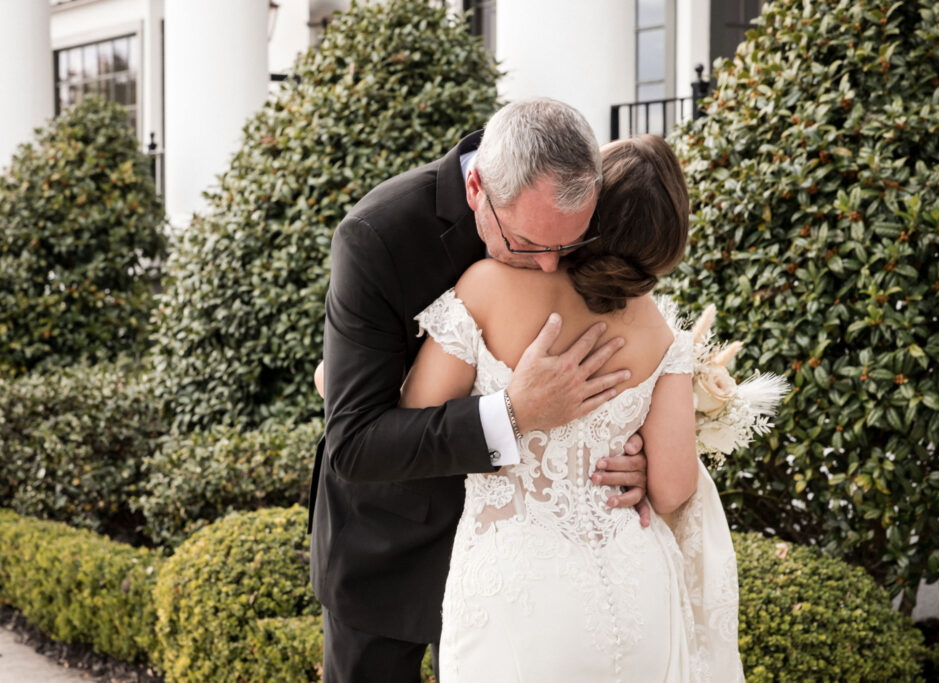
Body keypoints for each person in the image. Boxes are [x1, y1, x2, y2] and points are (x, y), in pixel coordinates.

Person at [310, 98, 653, 682]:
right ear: (476, 188)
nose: (550, 266)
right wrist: (513, 414)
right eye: (527, 244)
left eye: (566, 247)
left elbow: (622, 340)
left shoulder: (576, 212)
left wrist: (630, 450)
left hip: (524, 571)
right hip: (387, 547)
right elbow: (355, 443)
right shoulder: (377, 236)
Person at [399, 133, 744, 681]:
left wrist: (339, 378)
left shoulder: (487, 286)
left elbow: (415, 415)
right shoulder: (661, 333)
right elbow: (675, 488)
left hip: (519, 590)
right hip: (635, 586)